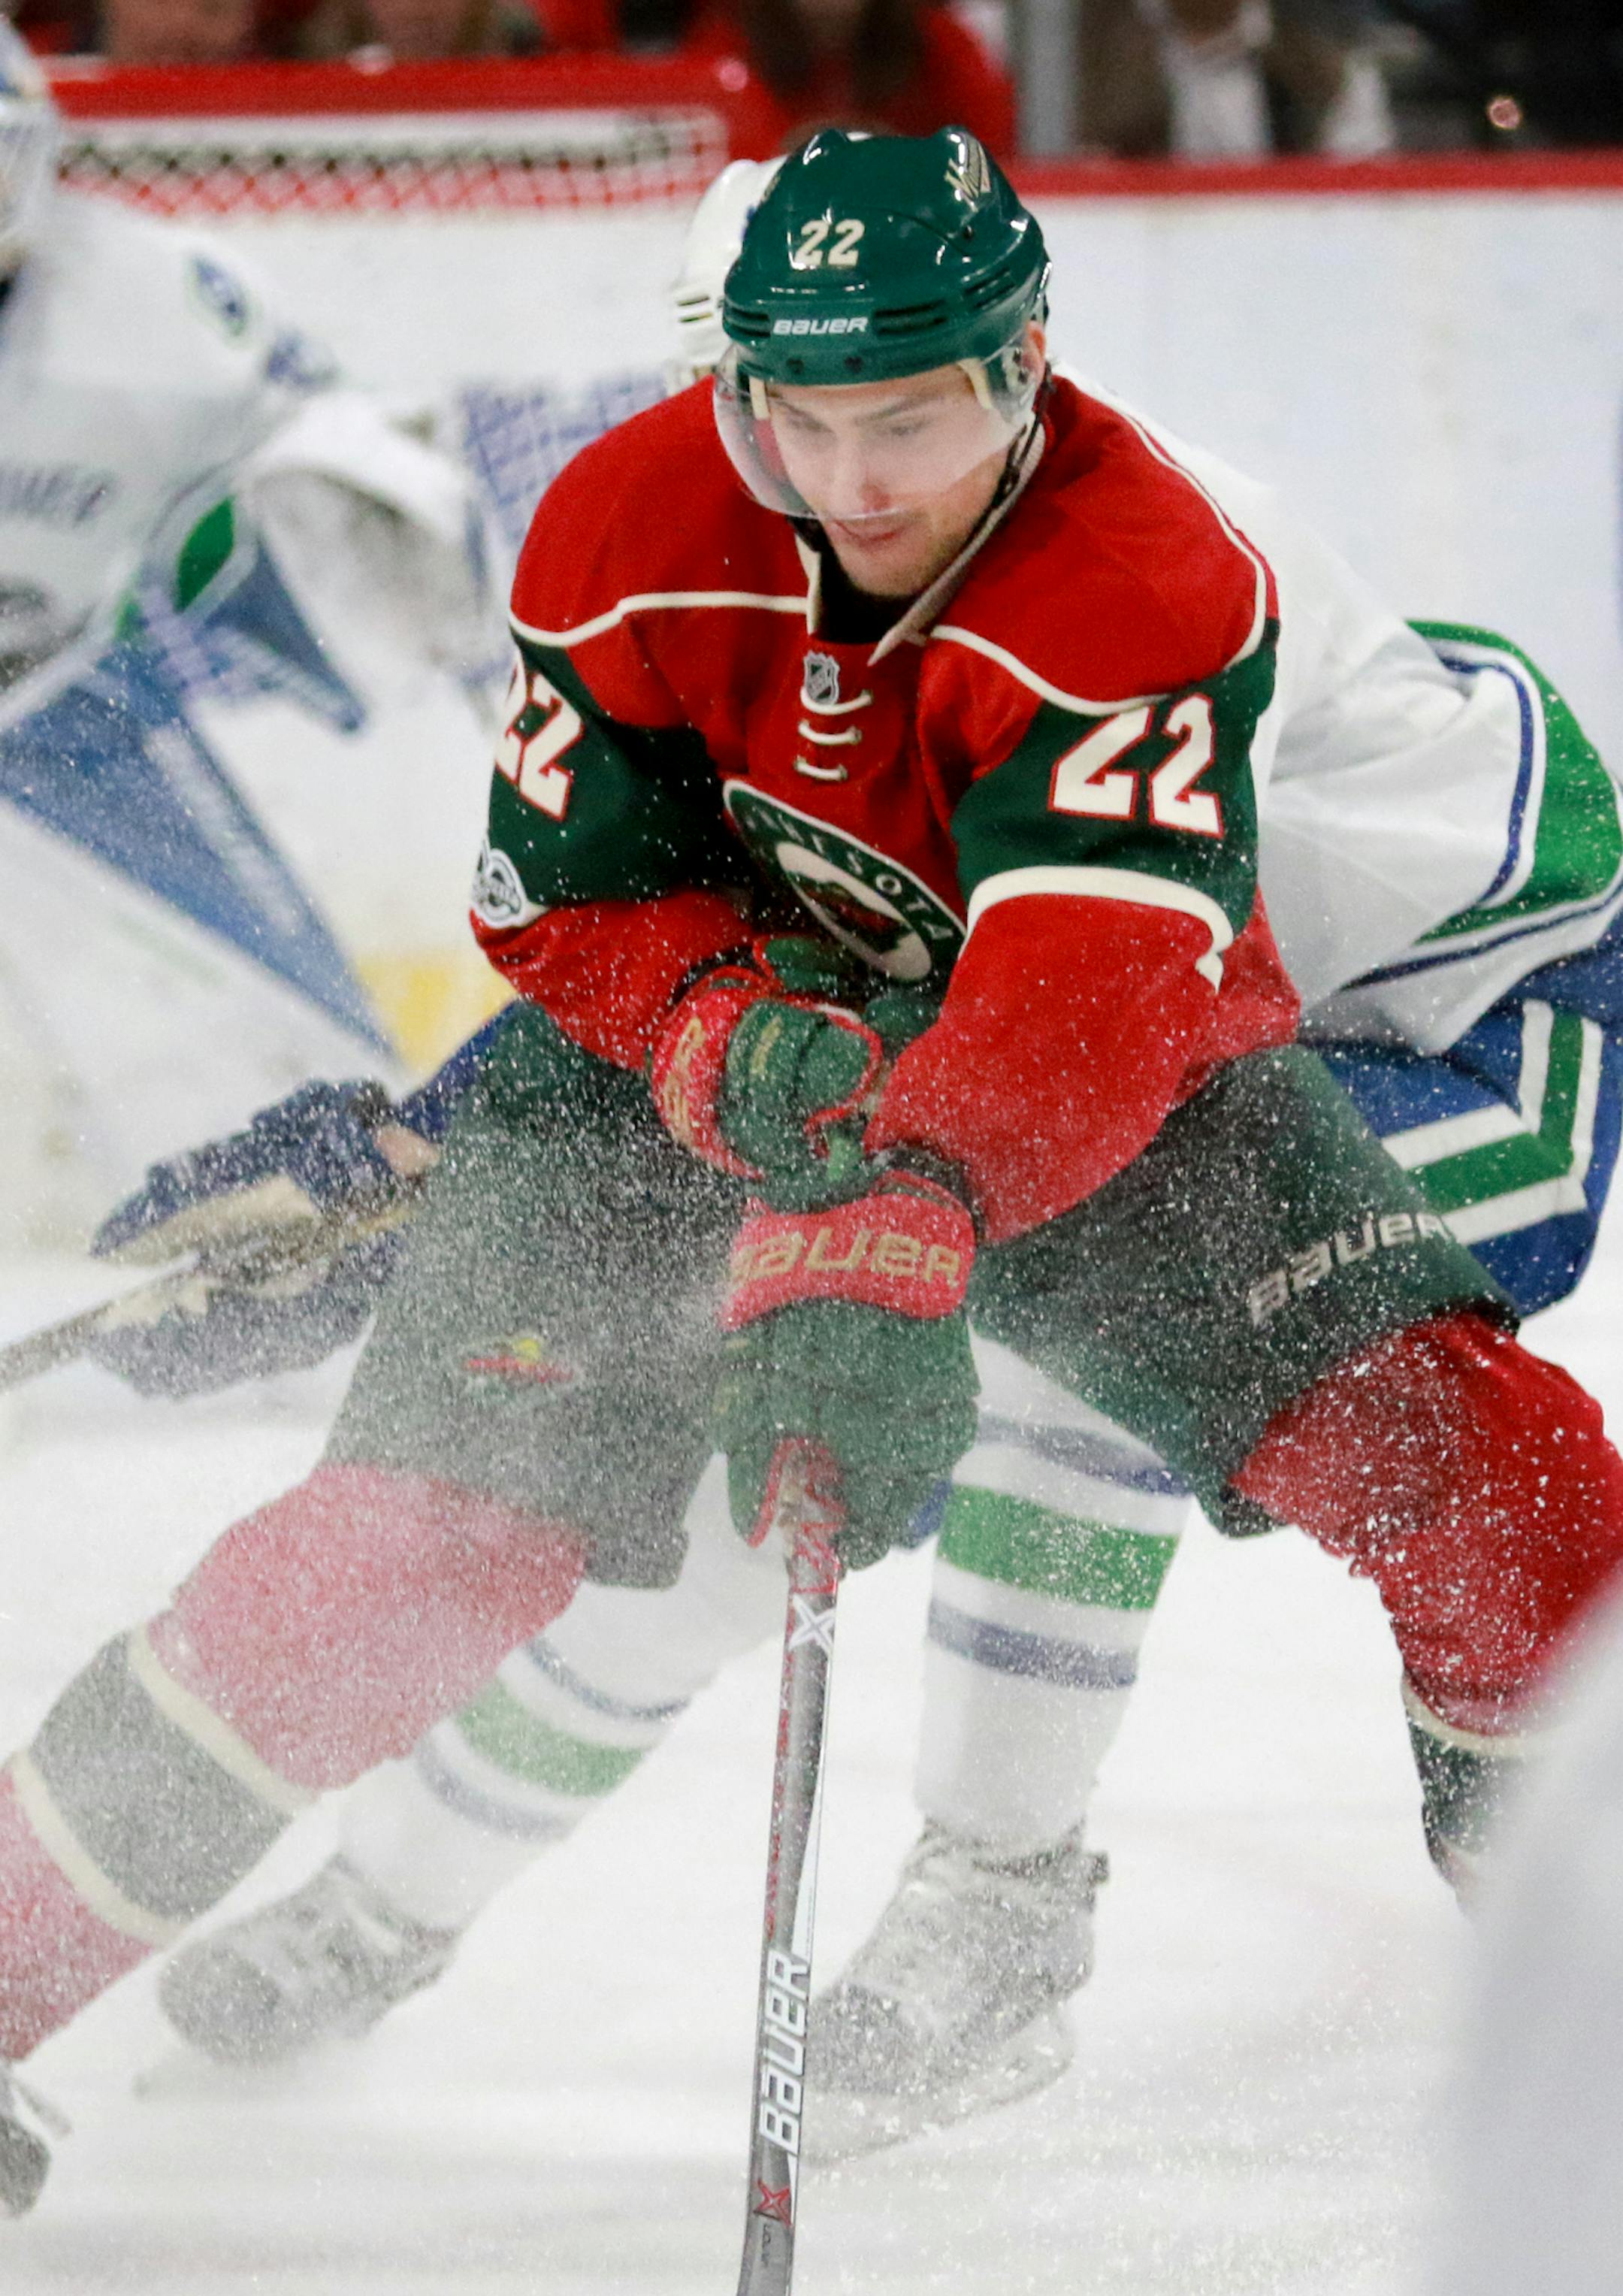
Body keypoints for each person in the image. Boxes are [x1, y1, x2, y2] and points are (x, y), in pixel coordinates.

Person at [4, 126, 1623, 2227]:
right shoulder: (656, 512)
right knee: (543, 1520)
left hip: (1376, 1001)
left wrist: (891, 1216)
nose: (846, 486)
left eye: (913, 410)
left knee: (1376, 1448)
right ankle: (315, 1910)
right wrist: (434, 1142)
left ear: (1025, 365)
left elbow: (1069, 987)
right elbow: (680, 906)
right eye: (775, 398)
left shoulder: (1162, 571)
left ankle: (1011, 1888)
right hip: (935, 1015)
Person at [0, 21, 506, 1218]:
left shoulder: (159, 306)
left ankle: (331, 1240)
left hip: (55, 710)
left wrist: (382, 527)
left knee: (306, 1072)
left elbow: (324, 436)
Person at [675, 0, 1015, 156]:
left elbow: (997, 148)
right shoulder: (723, 47)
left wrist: (914, 161)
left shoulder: (937, 40)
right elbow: (693, 155)